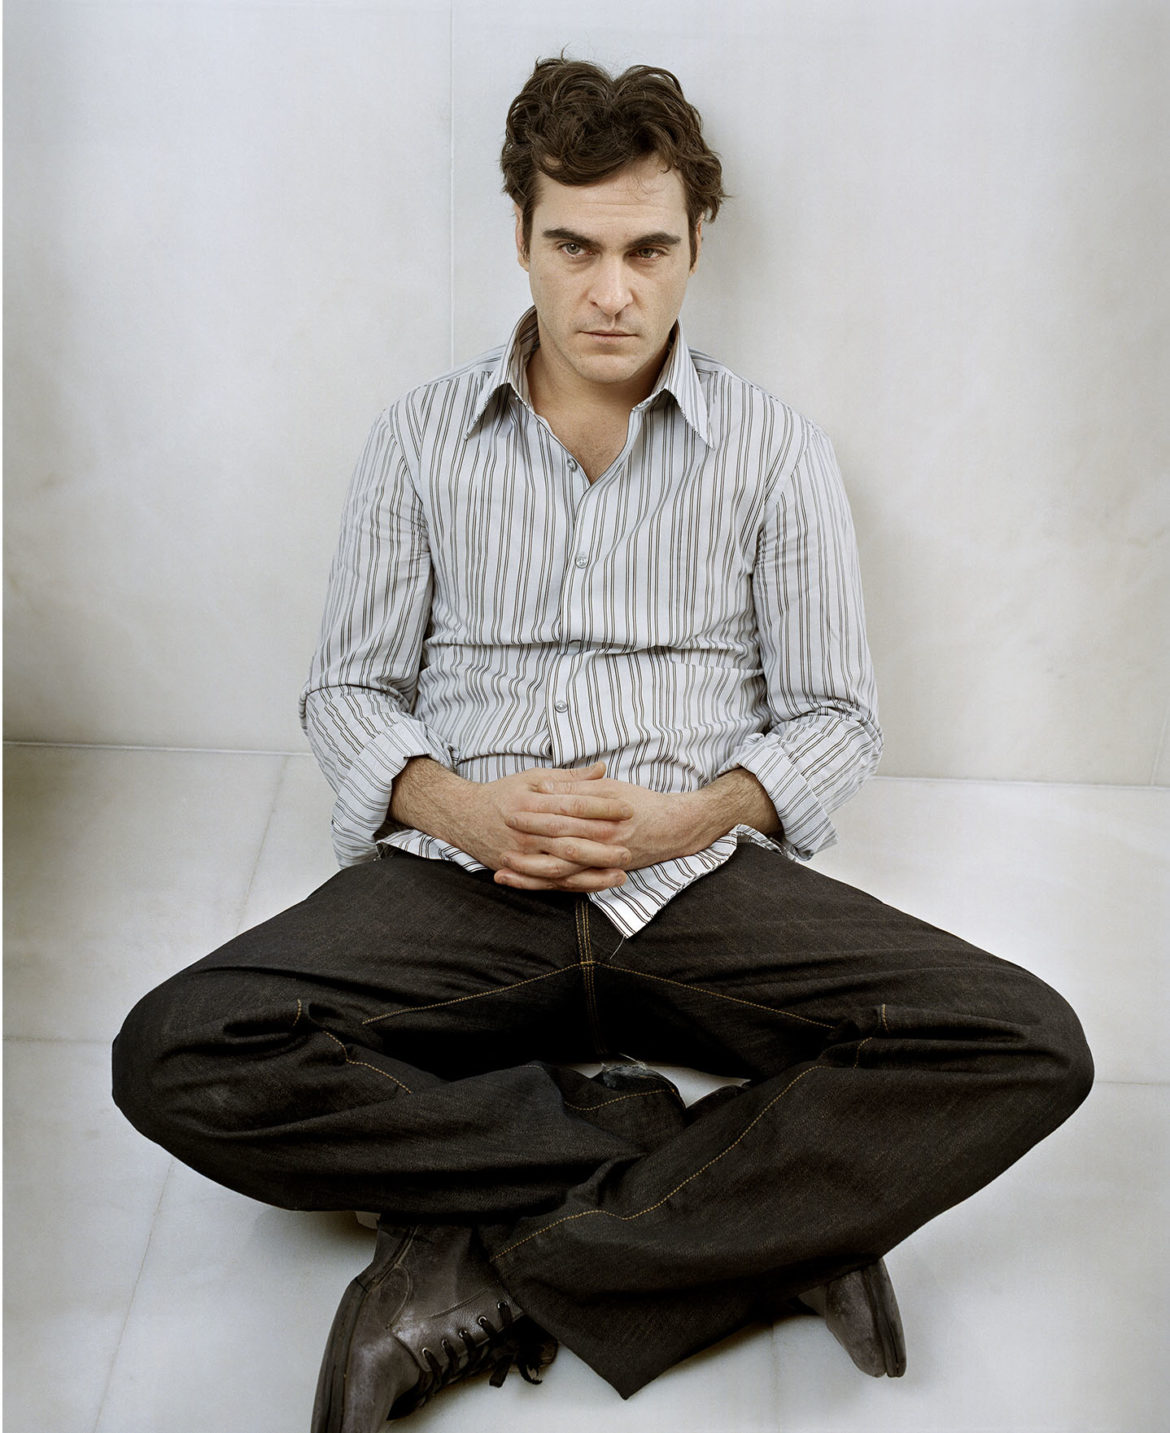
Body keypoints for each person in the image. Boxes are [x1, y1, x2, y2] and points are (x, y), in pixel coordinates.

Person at [112, 56, 1093, 1433]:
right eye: (574, 247)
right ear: (522, 237)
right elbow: (346, 691)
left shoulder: (774, 449)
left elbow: (833, 718)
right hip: (465, 884)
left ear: (695, 249)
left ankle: (493, 1257)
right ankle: (760, 1213)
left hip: (692, 884)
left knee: (1022, 1041)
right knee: (178, 1050)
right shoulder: (417, 439)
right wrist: (457, 809)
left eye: (647, 251)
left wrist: (691, 817)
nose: (611, 291)